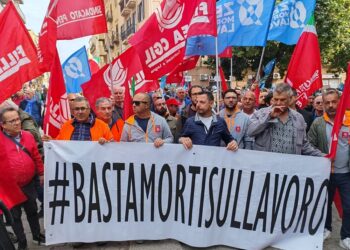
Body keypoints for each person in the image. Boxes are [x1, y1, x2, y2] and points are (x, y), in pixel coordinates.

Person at [308, 88, 350, 249]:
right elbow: (309, 144)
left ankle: (345, 236)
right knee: (324, 203)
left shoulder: (349, 120)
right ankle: (326, 228)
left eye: (334, 102)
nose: (331, 105)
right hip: (326, 173)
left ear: (340, 102)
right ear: (323, 105)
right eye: (327, 103)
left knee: (348, 205)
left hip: (346, 173)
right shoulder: (318, 123)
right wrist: (321, 156)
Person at [0, 107, 45, 250]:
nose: (16, 123)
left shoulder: (28, 135)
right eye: (11, 121)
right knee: (15, 216)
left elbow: (37, 156)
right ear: (3, 124)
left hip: (29, 183)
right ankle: (22, 242)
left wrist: (42, 173)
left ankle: (37, 235)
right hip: (9, 188)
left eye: (17, 119)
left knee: (32, 211)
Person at [247, 83, 323, 156]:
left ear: (290, 99)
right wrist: (269, 117)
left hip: (289, 165)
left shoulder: (298, 117)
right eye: (276, 99)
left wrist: (322, 156)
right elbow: (250, 132)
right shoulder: (261, 113)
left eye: (282, 100)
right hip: (267, 165)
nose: (278, 103)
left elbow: (304, 145)